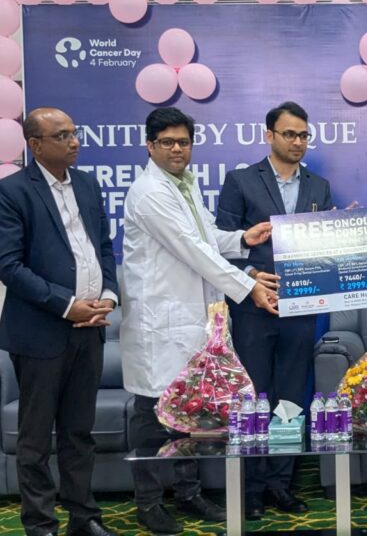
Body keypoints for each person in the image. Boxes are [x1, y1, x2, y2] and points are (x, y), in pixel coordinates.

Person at [120, 107, 278, 535]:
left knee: (191, 410)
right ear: (150, 146)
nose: (177, 149)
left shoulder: (184, 185)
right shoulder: (149, 193)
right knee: (153, 417)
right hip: (160, 324)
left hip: (191, 322)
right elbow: (193, 250)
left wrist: (242, 238)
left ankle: (188, 494)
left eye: (184, 142)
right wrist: (248, 285)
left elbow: (208, 237)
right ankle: (149, 503)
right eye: (167, 142)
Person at [0, 107, 119, 536]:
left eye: (74, 133)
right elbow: (8, 266)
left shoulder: (87, 184)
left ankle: (84, 516)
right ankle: (41, 524)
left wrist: (108, 296)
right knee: (36, 438)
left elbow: (103, 248)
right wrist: (66, 305)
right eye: (62, 135)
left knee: (79, 432)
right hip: (41, 332)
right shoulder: (10, 192)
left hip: (90, 329)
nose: (74, 141)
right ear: (35, 144)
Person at [215, 101, 332, 520]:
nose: (298, 142)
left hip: (301, 308)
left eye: (303, 135)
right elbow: (220, 244)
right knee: (254, 396)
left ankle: (281, 484)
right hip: (253, 307)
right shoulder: (241, 181)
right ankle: (250, 488)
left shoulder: (319, 187)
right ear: (270, 135)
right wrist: (250, 278)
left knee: (291, 397)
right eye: (289, 134)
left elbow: (324, 246)